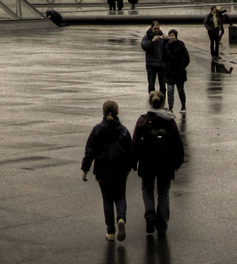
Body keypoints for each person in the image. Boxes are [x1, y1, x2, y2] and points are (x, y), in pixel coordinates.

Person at [81, 100, 135, 242]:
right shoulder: (123, 130)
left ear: (103, 112)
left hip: (103, 170)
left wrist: (85, 169)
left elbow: (90, 150)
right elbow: (130, 150)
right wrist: (132, 166)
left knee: (107, 200)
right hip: (120, 170)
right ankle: (121, 218)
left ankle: (110, 232)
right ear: (117, 112)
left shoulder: (97, 129)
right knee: (120, 197)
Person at [131, 92, 183, 237]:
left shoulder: (142, 121)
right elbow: (177, 143)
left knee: (147, 189)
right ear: (163, 103)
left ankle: (150, 216)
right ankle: (162, 222)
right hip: (165, 162)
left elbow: (134, 142)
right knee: (163, 192)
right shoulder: (170, 121)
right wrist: (178, 161)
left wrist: (134, 161)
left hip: (147, 161)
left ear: (150, 102)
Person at [162, 29, 190, 110]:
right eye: (170, 36)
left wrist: (182, 67)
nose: (171, 37)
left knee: (180, 90)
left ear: (176, 36)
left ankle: (183, 106)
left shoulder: (180, 44)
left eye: (173, 36)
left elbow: (187, 58)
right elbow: (164, 57)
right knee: (170, 91)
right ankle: (171, 107)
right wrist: (166, 67)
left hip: (179, 72)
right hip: (169, 72)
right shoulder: (166, 45)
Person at [140, 22, 165, 96]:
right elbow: (145, 47)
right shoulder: (147, 37)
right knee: (151, 85)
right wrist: (152, 41)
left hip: (161, 64)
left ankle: (162, 101)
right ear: (151, 28)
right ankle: (152, 101)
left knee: (163, 85)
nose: (157, 30)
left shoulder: (161, 37)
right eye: (155, 29)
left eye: (158, 29)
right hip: (151, 64)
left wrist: (167, 40)